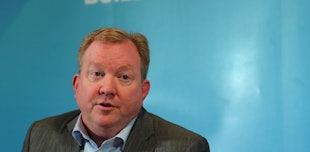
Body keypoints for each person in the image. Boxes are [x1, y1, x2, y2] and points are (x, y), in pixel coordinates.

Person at [22, 27, 210, 152]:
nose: (107, 89)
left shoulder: (186, 147)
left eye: (124, 77)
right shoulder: (41, 135)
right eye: (97, 73)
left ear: (143, 91)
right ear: (77, 85)